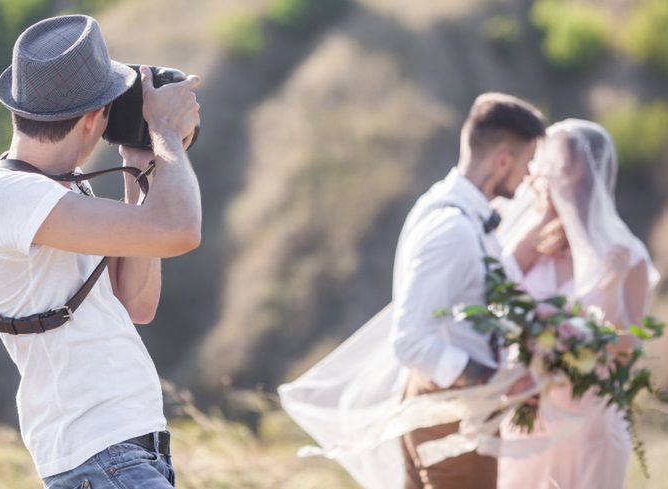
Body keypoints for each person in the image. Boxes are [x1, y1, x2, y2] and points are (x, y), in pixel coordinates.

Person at [0, 15, 200, 489]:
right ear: (93, 117)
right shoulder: (9, 196)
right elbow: (179, 230)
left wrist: (140, 165)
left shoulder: (56, 194)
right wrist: (167, 133)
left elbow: (137, 302)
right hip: (100, 453)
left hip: (128, 449)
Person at [279, 93, 549, 489]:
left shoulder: (464, 215)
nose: (528, 176)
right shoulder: (451, 229)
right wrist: (496, 379)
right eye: (527, 163)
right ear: (503, 160)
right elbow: (411, 342)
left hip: (451, 408)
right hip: (448, 413)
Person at [496, 119, 660, 489]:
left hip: (590, 419)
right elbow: (496, 299)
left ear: (581, 175)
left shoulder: (625, 256)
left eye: (555, 168)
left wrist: (609, 286)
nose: (540, 176)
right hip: (530, 413)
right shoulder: (533, 240)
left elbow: (627, 350)